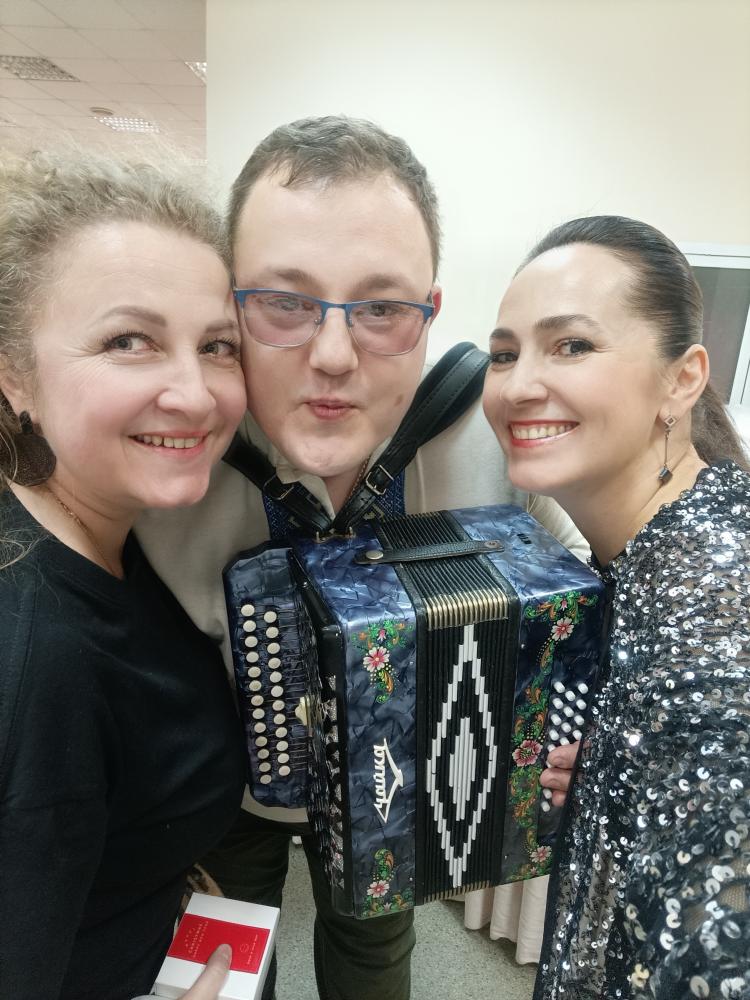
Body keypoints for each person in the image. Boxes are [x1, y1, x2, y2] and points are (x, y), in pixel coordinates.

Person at [136, 115, 589, 1000]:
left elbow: (579, 574)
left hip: (399, 783)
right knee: (226, 959)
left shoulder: (489, 428)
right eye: (285, 302)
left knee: (375, 956)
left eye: (382, 309)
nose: (334, 357)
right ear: (231, 304)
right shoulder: (175, 445)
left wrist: (565, 709)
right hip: (222, 790)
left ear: (430, 316)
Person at [0, 149, 250, 1000]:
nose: (196, 394)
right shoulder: (40, 658)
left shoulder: (110, 529)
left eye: (216, 346)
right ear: (14, 374)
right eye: (128, 341)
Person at [482, 215, 750, 999]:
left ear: (683, 380)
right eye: (505, 353)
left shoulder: (707, 625)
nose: (519, 385)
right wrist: (617, 777)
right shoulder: (677, 543)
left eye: (572, 345)